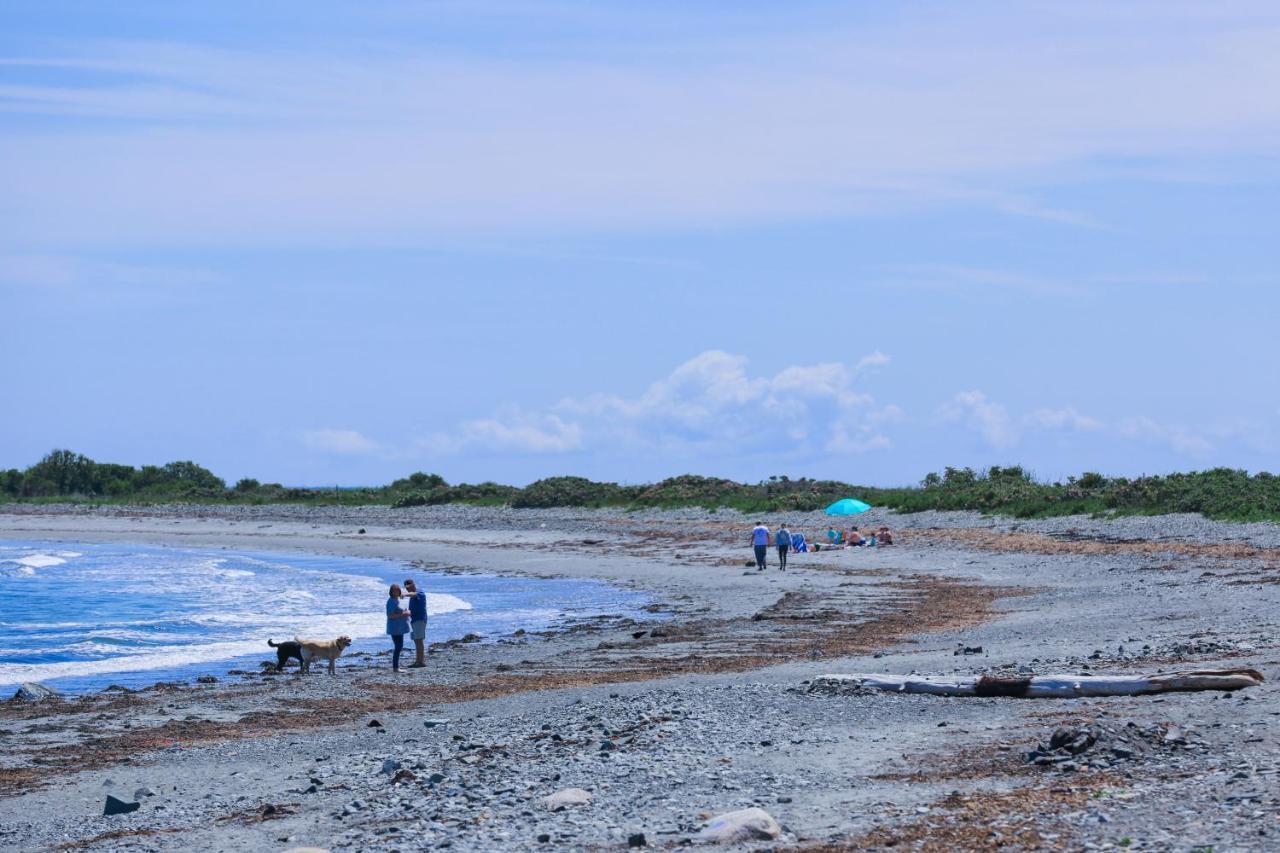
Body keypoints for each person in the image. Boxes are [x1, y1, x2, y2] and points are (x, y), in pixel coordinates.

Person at [385, 583, 411, 672]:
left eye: (397, 590)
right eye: (394, 590)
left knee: (399, 646)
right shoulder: (391, 601)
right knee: (398, 646)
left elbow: (400, 610)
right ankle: (395, 667)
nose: (396, 592)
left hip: (400, 627)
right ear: (391, 592)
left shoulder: (397, 600)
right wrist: (404, 614)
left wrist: (406, 612)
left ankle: (396, 666)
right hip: (395, 628)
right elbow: (390, 616)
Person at [404, 578, 428, 668]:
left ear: (413, 584)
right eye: (406, 588)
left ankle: (420, 661)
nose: (408, 589)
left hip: (420, 619)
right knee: (416, 640)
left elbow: (413, 594)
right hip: (415, 620)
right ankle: (418, 660)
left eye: (409, 586)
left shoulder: (419, 592)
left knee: (419, 640)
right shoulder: (412, 595)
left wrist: (404, 594)